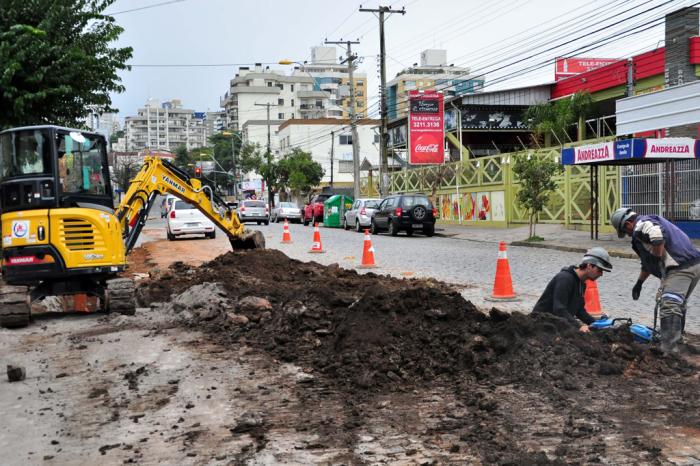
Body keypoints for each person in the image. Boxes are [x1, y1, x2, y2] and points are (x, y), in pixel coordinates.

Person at [610, 208, 700, 352]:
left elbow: (657, 236)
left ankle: (669, 348)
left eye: (625, 232)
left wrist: (658, 258)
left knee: (669, 304)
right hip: (693, 264)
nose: (627, 235)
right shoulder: (650, 221)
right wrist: (639, 283)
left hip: (680, 268)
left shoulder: (641, 225)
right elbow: (647, 263)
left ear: (628, 224)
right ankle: (678, 341)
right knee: (678, 304)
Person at [532, 247, 613, 333]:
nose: (601, 274)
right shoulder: (565, 278)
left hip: (558, 324)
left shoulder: (582, 283)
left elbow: (579, 310)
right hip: (540, 324)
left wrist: (595, 323)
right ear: (589, 266)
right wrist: (579, 326)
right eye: (599, 270)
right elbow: (559, 309)